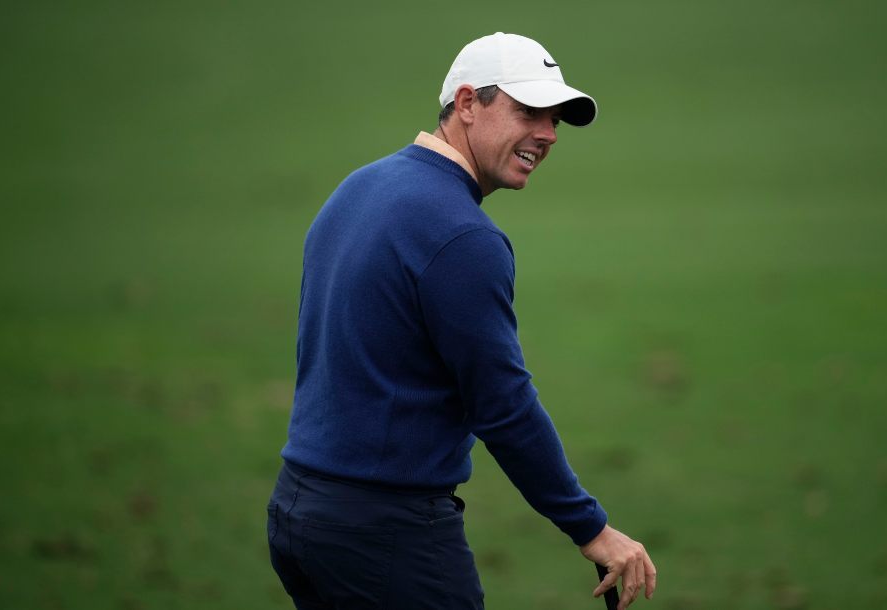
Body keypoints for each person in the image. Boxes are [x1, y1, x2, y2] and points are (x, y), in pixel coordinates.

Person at [266, 32, 657, 610]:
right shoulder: (464, 237)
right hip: (385, 534)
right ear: (468, 103)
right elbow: (501, 403)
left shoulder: (357, 188)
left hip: (298, 513)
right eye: (529, 112)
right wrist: (591, 528)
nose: (548, 134)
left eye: (554, 120)